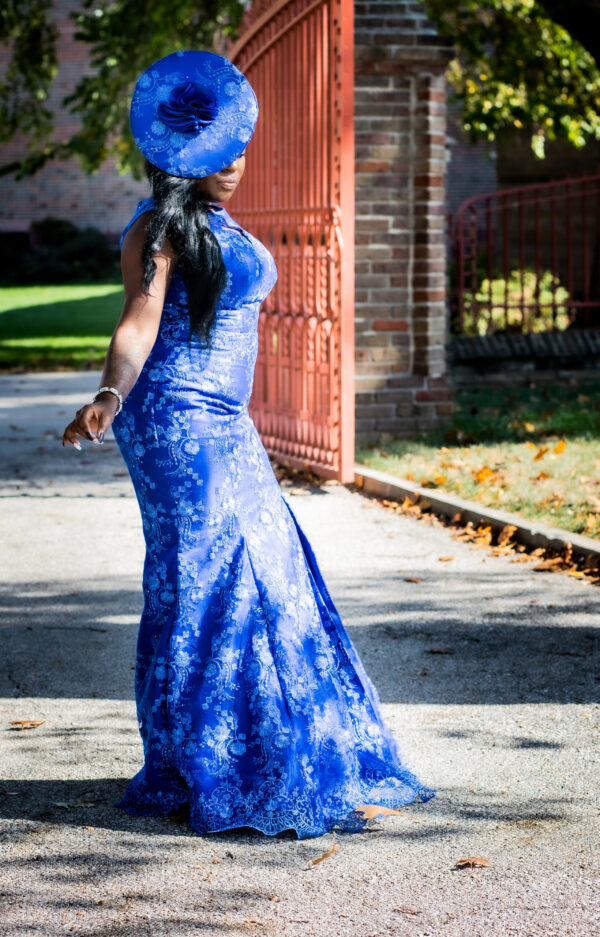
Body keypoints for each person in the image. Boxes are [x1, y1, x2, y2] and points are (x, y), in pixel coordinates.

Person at [61, 50, 435, 839]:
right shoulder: (157, 228)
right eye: (217, 151)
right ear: (178, 153)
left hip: (226, 424)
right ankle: (215, 756)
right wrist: (107, 392)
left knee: (269, 564)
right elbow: (137, 321)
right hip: (170, 420)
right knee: (210, 576)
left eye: (239, 147)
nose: (233, 163)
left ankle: (243, 743)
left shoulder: (216, 225)